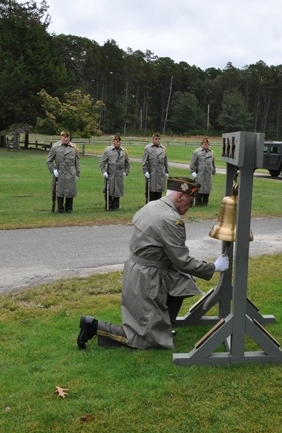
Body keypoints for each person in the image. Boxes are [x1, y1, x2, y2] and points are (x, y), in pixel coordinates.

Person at [77, 177, 230, 350]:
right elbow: (182, 261)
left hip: (138, 270)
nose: (192, 205)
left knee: (183, 283)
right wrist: (214, 267)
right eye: (190, 200)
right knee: (143, 339)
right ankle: (93, 326)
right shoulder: (170, 219)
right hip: (147, 277)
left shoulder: (153, 205)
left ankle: (162, 326)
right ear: (180, 197)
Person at [46, 130, 80, 213]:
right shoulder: (55, 147)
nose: (66, 139)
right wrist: (53, 170)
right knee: (59, 191)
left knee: (70, 190)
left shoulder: (74, 147)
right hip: (60, 171)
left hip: (70, 171)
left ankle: (69, 209)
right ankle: (60, 208)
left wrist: (77, 173)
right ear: (61, 137)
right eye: (64, 137)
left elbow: (77, 161)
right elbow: (48, 161)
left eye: (67, 137)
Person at [99, 134, 130, 211]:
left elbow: (127, 163)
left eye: (119, 141)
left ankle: (116, 206)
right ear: (113, 142)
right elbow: (102, 162)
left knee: (118, 190)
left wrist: (126, 171)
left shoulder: (124, 150)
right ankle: (108, 206)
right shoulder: (108, 150)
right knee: (109, 190)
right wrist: (104, 171)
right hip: (111, 173)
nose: (118, 143)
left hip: (119, 173)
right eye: (117, 141)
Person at [142, 132, 169, 202]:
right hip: (152, 173)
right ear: (152, 139)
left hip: (160, 174)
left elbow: (165, 161)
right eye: (156, 139)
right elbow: (144, 161)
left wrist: (166, 171)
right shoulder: (148, 148)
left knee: (159, 192)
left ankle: (158, 205)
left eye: (159, 139)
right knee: (150, 191)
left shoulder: (163, 149)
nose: (158, 140)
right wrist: (145, 171)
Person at [189, 137, 216, 206]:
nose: (207, 145)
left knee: (207, 189)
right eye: (205, 144)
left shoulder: (211, 152)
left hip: (208, 174)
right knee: (199, 189)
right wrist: (193, 172)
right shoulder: (197, 152)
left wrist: (213, 170)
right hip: (200, 173)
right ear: (202, 144)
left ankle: (205, 203)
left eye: (208, 144)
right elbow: (192, 163)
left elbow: (213, 163)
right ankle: (198, 204)